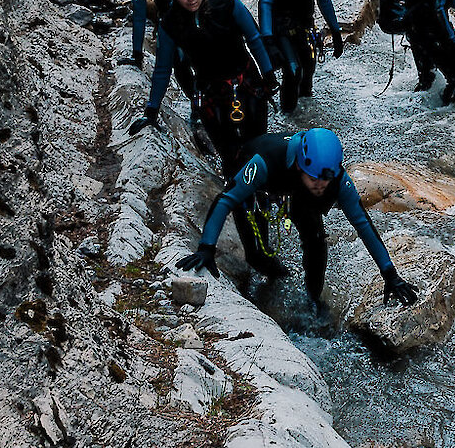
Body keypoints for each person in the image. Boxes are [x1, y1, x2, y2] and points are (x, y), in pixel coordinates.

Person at [177, 128, 420, 314]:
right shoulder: (264, 161)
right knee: (257, 257)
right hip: (259, 188)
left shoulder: (335, 179)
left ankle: (313, 300)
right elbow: (226, 200)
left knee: (316, 244)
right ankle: (276, 277)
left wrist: (390, 273)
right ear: (301, 164)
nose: (320, 186)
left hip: (297, 192)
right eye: (315, 179)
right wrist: (206, 247)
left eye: (325, 181)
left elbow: (363, 224)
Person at [128, 0, 277, 179]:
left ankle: (264, 200)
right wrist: (151, 110)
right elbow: (163, 68)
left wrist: (268, 74)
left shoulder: (227, 4)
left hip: (248, 83)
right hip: (211, 92)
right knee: (229, 157)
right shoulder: (170, 23)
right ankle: (239, 205)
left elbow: (254, 38)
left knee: (257, 147)